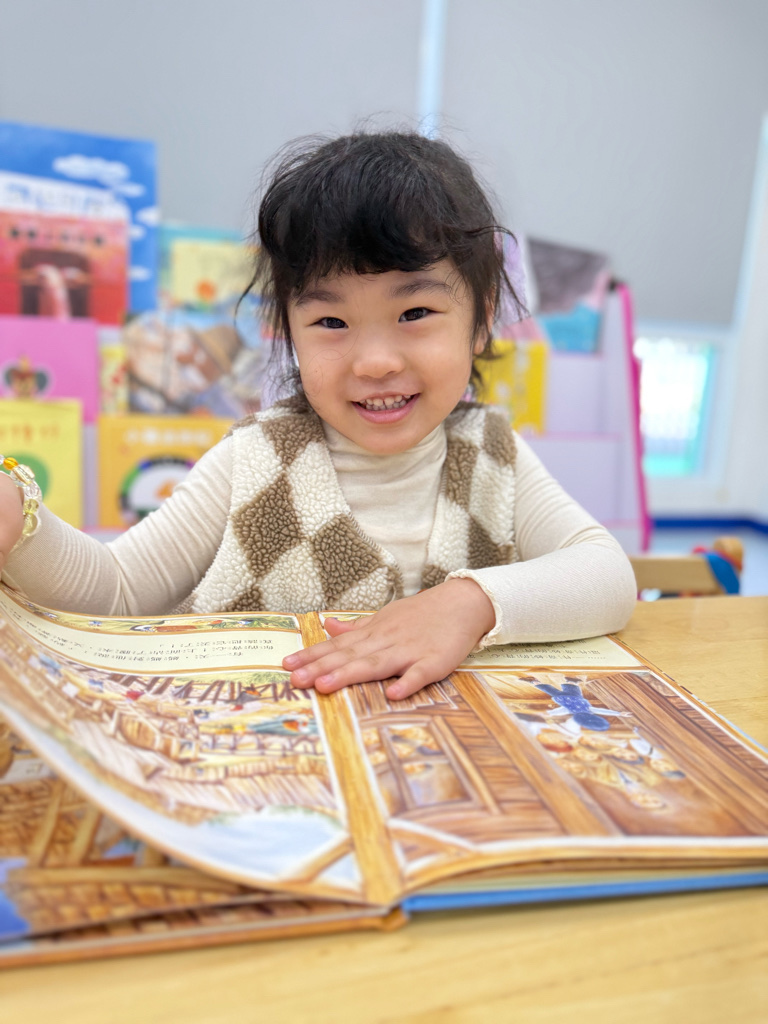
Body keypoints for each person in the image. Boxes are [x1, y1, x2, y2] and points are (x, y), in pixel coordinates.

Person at [0, 130, 637, 701]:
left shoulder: (494, 455)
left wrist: (470, 604)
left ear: (481, 316)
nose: (375, 362)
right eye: (331, 321)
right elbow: (114, 591)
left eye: (414, 313)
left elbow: (607, 575)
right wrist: (19, 516)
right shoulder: (256, 459)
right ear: (288, 331)